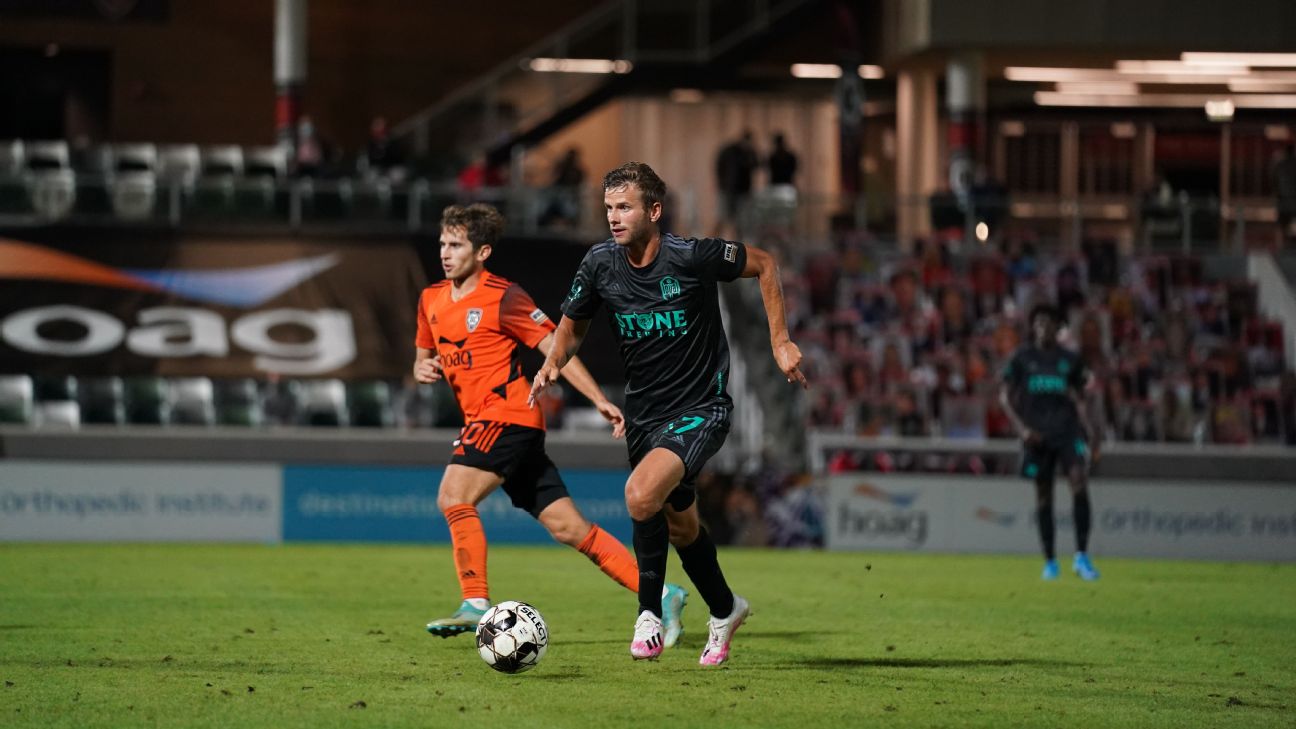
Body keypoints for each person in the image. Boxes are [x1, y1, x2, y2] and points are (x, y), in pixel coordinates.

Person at [529, 162, 806, 666]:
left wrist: (780, 340)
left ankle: (648, 614)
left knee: (639, 495)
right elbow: (571, 329)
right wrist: (553, 361)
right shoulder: (599, 265)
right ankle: (725, 609)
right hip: (645, 415)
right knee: (680, 527)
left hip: (702, 408)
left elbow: (765, 263)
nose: (614, 217)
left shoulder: (692, 256)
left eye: (625, 207)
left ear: (653, 211)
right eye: (609, 208)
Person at [416, 203, 689, 643]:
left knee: (453, 496)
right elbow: (422, 357)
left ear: (482, 251)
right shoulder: (430, 299)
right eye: (443, 244)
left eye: (456, 245)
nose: (445, 253)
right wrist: (421, 369)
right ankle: (662, 593)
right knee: (570, 528)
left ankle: (475, 602)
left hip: (507, 415)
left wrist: (598, 397)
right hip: (490, 423)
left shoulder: (503, 296)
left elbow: (554, 347)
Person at [999, 303, 1101, 582]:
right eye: (1039, 322)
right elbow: (1005, 397)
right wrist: (1022, 429)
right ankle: (1050, 561)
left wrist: (1089, 428)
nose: (1043, 327)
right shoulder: (1022, 358)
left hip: (1067, 432)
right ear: (1033, 327)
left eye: (1049, 322)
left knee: (1079, 481)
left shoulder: (1070, 359)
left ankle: (1081, 556)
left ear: (1058, 327)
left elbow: (1082, 396)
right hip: (1037, 435)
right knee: (1044, 494)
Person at [714, 131, 758, 236]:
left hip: (743, 192)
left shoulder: (750, 153)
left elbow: (756, 165)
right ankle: (712, 242)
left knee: (741, 222)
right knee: (722, 217)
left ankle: (738, 244)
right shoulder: (729, 151)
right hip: (727, 190)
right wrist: (721, 183)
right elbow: (719, 166)